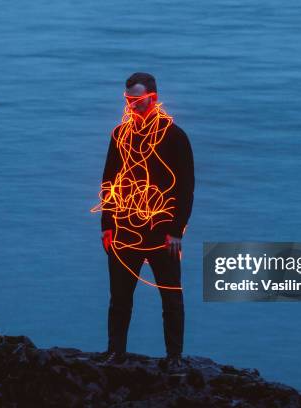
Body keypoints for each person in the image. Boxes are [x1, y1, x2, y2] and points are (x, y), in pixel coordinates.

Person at [94, 72, 194, 373]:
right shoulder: (120, 135)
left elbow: (185, 186)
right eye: (128, 100)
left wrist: (176, 230)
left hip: (162, 230)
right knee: (120, 297)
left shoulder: (174, 136)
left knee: (171, 296)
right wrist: (107, 225)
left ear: (153, 97)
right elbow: (109, 180)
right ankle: (115, 352)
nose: (132, 106)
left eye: (137, 100)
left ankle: (174, 357)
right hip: (125, 228)